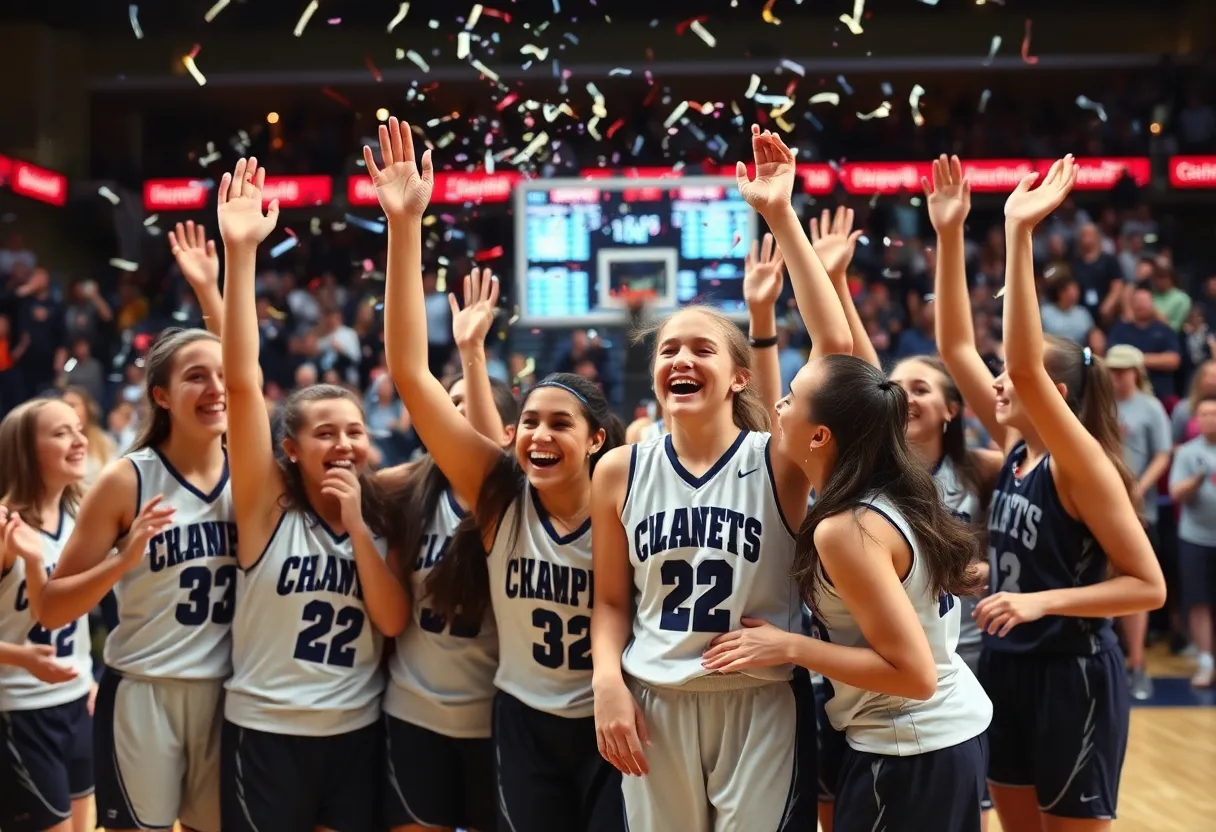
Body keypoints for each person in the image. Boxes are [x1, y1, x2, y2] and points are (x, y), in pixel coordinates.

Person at [368, 116, 626, 832]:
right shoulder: (500, 495)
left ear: (598, 440)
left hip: (612, 713)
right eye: (531, 421)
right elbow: (411, 376)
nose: (539, 434)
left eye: (559, 424)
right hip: (519, 718)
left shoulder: (629, 495)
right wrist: (404, 225)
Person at [589, 127, 851, 831]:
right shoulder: (620, 468)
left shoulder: (776, 458)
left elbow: (838, 356)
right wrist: (606, 682)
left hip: (760, 700)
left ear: (738, 376)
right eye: (669, 348)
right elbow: (610, 601)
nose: (681, 357)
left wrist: (781, 216)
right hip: (653, 701)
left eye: (701, 348)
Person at [937, 154, 1166, 832]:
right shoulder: (1018, 450)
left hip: (1073, 673)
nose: (996, 385)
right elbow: (954, 345)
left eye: (1009, 377)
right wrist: (952, 233)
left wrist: (1019, 234)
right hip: (1008, 667)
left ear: (1053, 395)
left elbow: (1147, 588)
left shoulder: (1080, 463)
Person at [701, 352, 992, 832]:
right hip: (940, 737)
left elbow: (915, 675)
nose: (778, 405)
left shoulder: (845, 529)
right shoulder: (887, 493)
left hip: (912, 747)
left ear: (820, 435)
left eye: (791, 399)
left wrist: (788, 645)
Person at [215, 157, 408, 832]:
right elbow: (241, 383)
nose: (345, 444)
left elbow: (390, 623)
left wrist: (357, 526)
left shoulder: (381, 512)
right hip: (266, 731)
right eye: (325, 433)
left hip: (356, 732)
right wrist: (241, 253)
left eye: (354, 431)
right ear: (290, 449)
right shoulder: (265, 510)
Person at [39, 326, 229, 832]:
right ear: (161, 396)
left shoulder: (253, 476)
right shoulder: (127, 479)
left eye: (223, 375)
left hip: (228, 692)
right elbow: (51, 608)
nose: (216, 388)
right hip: (145, 691)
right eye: (196, 377)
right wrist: (121, 562)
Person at [382, 268, 520, 832]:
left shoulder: (517, 496)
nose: (454, 412)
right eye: (448, 404)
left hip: (496, 717)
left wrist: (471, 352)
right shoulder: (403, 489)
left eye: (470, 402)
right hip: (413, 714)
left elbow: (488, 464)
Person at [0, 399, 93, 832]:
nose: (79, 441)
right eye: (61, 433)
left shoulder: (79, 517)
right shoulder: (5, 526)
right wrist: (24, 659)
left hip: (75, 703)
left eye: (78, 428)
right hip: (18, 710)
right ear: (25, 449)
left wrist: (89, 675)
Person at [1106, 344, 1173, 700]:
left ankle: (1137, 662)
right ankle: (1113, 661)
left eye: (1122, 370)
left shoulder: (1150, 408)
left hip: (1138, 509)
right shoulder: (1100, 404)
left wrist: (1139, 487)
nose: (1117, 376)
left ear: (1136, 372)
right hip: (1101, 506)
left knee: (1134, 583)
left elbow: (1163, 454)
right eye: (1112, 371)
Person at [1168, 394, 1216, 688]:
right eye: (1204, 415)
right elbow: (1175, 494)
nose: (1209, 419)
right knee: (1198, 603)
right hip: (1195, 538)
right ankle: (1205, 661)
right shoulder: (1187, 453)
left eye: (1214, 413)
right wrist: (1195, 482)